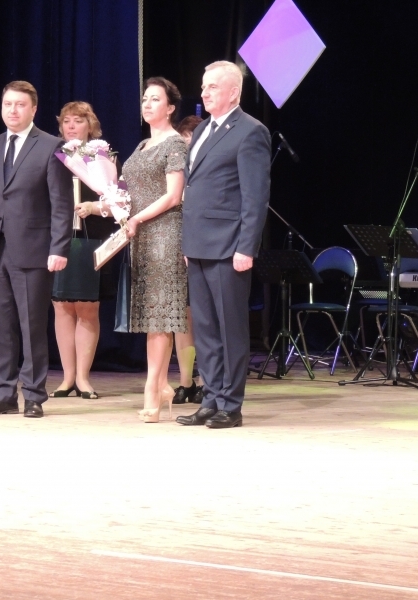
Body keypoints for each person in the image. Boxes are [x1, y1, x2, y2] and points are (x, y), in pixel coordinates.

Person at [0, 81, 73, 419]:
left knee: (31, 324)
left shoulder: (51, 146)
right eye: (8, 104)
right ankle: (3, 393)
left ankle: (34, 395)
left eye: (20, 104)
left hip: (33, 248)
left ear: (33, 109)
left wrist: (59, 247)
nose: (13, 110)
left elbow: (61, 204)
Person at [177, 61, 271, 429]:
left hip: (228, 246)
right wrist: (187, 242)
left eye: (213, 87)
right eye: (204, 86)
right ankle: (211, 398)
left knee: (230, 329)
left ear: (234, 92)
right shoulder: (203, 129)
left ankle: (231, 404)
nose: (204, 93)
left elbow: (255, 197)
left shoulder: (250, 131)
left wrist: (246, 247)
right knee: (205, 328)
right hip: (198, 244)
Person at [122, 76, 189, 423]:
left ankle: (153, 390)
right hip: (141, 235)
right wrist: (109, 205)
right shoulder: (142, 145)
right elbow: (130, 191)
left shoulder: (175, 144)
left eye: (155, 99)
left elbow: (173, 196)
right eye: (145, 99)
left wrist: (137, 217)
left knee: (161, 316)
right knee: (152, 318)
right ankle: (161, 385)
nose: (147, 104)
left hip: (165, 233)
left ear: (170, 107)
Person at [49, 102, 117, 400]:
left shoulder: (103, 156)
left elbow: (118, 199)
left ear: (90, 125)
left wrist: (95, 206)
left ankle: (83, 379)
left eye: (78, 120)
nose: (71, 126)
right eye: (66, 121)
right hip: (59, 239)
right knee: (62, 307)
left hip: (92, 238)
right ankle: (67, 378)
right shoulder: (53, 155)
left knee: (88, 308)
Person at [171, 115, 205, 405]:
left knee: (201, 317)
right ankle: (185, 382)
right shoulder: (173, 169)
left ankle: (206, 380)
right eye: (183, 140)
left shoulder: (204, 171)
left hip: (199, 247)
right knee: (180, 319)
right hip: (174, 245)